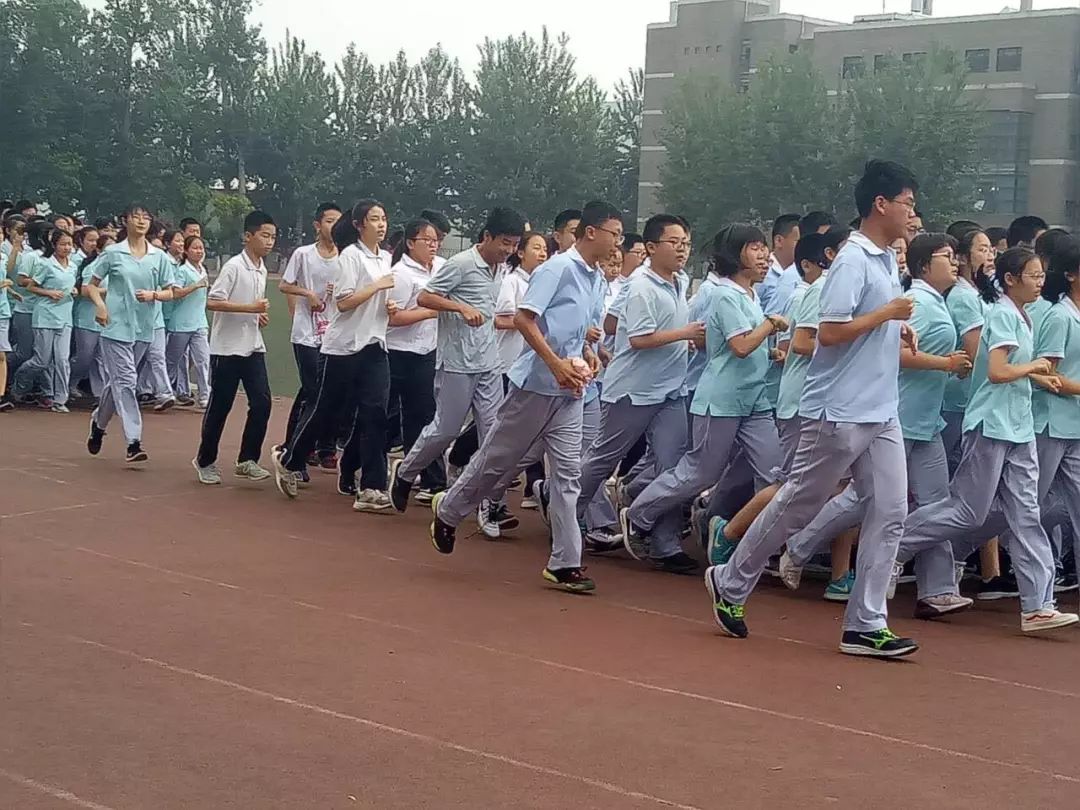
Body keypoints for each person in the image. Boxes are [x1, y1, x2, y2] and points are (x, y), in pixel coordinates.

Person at [704, 159, 921, 658]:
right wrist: (886, 314)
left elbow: (862, 325)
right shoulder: (852, 259)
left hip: (881, 408)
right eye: (907, 203)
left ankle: (865, 623)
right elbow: (828, 333)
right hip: (838, 410)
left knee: (892, 509)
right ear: (880, 204)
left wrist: (894, 326)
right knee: (799, 500)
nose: (913, 213)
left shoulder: (887, 260)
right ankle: (731, 581)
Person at [424, 200, 621, 593]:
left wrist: (585, 355)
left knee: (567, 476)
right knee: (498, 460)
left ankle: (565, 562)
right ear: (591, 232)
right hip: (534, 386)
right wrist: (554, 364)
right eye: (614, 233)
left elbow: (577, 328)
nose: (618, 242)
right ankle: (448, 510)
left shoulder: (596, 277)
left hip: (570, 392)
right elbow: (523, 319)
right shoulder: (557, 269)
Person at [897, 247, 1078, 633]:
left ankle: (1038, 605)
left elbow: (1010, 371)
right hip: (990, 425)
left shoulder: (1024, 316)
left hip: (1019, 426)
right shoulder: (999, 314)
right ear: (1010, 279)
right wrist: (1032, 367)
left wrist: (1037, 377)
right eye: (1032, 275)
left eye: (1041, 274)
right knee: (968, 511)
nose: (1039, 282)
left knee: (1026, 514)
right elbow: (996, 372)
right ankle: (892, 547)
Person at [622, 223, 784, 574]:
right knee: (699, 470)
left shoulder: (749, 295)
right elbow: (740, 346)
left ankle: (744, 541)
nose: (764, 256)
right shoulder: (724, 294)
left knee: (775, 472)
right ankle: (638, 513)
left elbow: (742, 346)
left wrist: (772, 353)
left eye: (763, 248)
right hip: (721, 399)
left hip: (753, 400)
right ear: (734, 255)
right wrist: (771, 325)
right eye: (754, 248)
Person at [567, 213, 703, 574]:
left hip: (671, 390)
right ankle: (565, 511)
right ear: (652, 247)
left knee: (671, 466)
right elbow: (639, 339)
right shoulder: (642, 285)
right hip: (633, 391)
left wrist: (682, 342)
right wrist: (684, 334)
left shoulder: (680, 280)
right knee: (601, 459)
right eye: (673, 243)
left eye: (686, 243)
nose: (681, 250)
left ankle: (665, 543)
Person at [385, 207, 526, 521]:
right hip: (457, 363)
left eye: (514, 244)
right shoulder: (461, 264)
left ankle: (488, 504)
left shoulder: (500, 268)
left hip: (489, 363)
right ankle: (406, 472)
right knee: (446, 429)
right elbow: (426, 298)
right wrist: (460, 307)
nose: (509, 250)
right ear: (486, 236)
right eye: (504, 242)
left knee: (494, 435)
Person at [272, 200, 395, 511]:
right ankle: (289, 458)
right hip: (342, 347)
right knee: (327, 409)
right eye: (375, 219)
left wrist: (389, 305)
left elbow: (382, 300)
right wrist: (377, 287)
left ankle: (371, 487)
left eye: (383, 219)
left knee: (375, 414)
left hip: (374, 345)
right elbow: (344, 302)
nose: (381, 225)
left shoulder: (387, 259)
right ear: (359, 224)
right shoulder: (350, 257)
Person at [84, 204, 176, 465]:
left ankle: (98, 424)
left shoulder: (158, 257)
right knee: (126, 380)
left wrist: (154, 295)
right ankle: (133, 441)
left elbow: (171, 291)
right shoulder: (113, 253)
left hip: (144, 328)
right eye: (135, 217)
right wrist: (101, 306)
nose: (141, 221)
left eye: (145, 217)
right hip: (115, 327)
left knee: (118, 382)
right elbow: (90, 286)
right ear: (125, 221)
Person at [192, 211, 276, 484]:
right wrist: (249, 308)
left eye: (273, 237)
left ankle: (248, 459)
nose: (269, 242)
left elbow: (252, 304)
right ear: (248, 236)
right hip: (226, 349)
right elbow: (213, 301)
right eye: (264, 235)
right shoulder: (234, 267)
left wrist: (257, 315)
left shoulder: (261, 268)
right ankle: (205, 460)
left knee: (262, 402)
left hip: (252, 346)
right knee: (220, 406)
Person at [278, 202, 343, 470]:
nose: (333, 227)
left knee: (331, 390)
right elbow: (285, 284)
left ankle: (326, 447)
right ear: (317, 225)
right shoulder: (303, 255)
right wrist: (308, 294)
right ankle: (296, 450)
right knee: (314, 391)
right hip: (307, 333)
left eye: (338, 222)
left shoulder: (347, 256)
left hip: (335, 333)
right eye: (329, 221)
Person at [385, 218, 446, 503]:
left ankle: (430, 480)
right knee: (381, 418)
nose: (433, 245)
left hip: (426, 353)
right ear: (410, 243)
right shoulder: (401, 274)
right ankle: (356, 469)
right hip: (396, 353)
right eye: (427, 240)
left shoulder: (442, 268)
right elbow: (394, 318)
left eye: (436, 240)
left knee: (423, 418)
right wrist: (431, 312)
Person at [11, 229, 78, 411]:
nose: (66, 248)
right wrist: (49, 292)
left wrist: (74, 291)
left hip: (65, 316)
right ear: (54, 246)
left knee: (62, 360)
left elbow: (71, 284)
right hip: (45, 316)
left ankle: (60, 400)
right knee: (42, 360)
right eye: (63, 244)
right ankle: (19, 383)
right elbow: (31, 287)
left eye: (69, 244)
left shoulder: (73, 266)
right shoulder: (46, 265)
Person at [166, 235, 211, 409]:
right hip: (181, 323)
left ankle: (205, 395)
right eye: (195, 248)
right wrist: (196, 286)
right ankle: (165, 390)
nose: (199, 252)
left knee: (203, 360)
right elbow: (175, 293)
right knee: (173, 360)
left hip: (200, 322)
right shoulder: (182, 271)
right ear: (186, 251)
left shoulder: (202, 269)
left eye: (201, 248)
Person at [757, 213, 800, 313]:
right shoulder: (761, 273)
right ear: (779, 241)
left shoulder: (805, 273)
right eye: (798, 241)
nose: (804, 246)